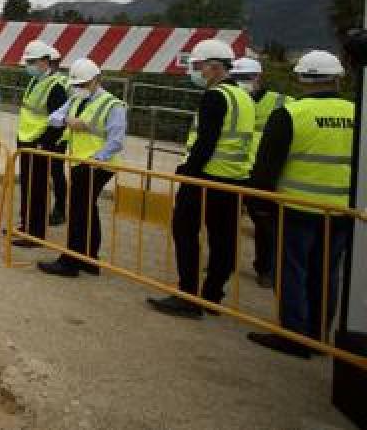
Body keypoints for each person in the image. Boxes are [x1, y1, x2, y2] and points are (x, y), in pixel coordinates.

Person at [246, 51, 355, 358]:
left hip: (296, 207)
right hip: (342, 211)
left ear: (301, 78)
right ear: (338, 77)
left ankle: (294, 334)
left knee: (291, 270)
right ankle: (319, 336)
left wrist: (261, 204)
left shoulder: (292, 113)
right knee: (327, 273)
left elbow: (267, 166)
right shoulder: (357, 112)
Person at [148, 39, 255, 319]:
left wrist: (187, 172)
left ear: (214, 67)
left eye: (197, 67)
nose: (194, 72)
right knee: (223, 240)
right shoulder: (244, 96)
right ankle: (212, 295)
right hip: (234, 180)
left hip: (206, 178)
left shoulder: (215, 96)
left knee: (185, 231)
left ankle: (188, 296)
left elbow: (206, 142)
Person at [36, 58, 127, 277]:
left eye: (83, 84)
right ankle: (89, 259)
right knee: (87, 209)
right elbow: (53, 118)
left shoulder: (113, 105)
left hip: (98, 164)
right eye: (76, 85)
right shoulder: (76, 99)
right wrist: (69, 121)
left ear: (97, 80)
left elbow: (116, 141)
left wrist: (94, 161)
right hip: (80, 163)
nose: (79, 89)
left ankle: (70, 262)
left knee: (79, 210)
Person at [231, 57, 290, 288]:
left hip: (262, 175)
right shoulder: (230, 99)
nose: (241, 82)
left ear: (258, 77)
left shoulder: (281, 102)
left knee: (265, 225)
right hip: (234, 170)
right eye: (236, 78)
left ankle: (266, 269)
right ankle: (226, 261)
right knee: (226, 220)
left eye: (246, 77)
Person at [13, 41, 69, 246]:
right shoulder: (35, 81)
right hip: (26, 140)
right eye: (28, 61)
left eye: (32, 61)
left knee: (37, 189)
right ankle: (25, 226)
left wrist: (43, 144)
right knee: (27, 186)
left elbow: (59, 123)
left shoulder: (56, 88)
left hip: (40, 144)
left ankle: (35, 234)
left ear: (45, 62)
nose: (28, 65)